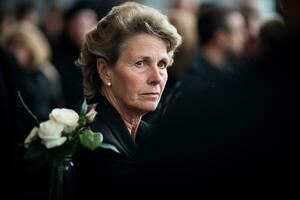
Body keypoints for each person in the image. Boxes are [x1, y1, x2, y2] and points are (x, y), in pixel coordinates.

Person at [139, 0, 298, 197]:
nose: (246, 36)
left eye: (162, 64)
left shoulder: (230, 79)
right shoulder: (197, 90)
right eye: (238, 30)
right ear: (220, 37)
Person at [73, 2, 181, 198]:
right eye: (141, 63)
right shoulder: (98, 147)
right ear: (105, 71)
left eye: (162, 64)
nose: (157, 77)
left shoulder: (149, 135)